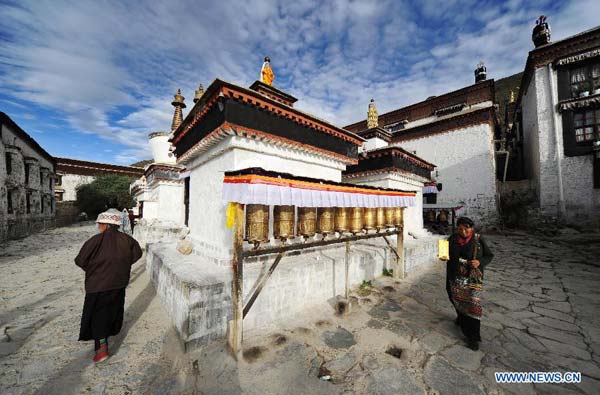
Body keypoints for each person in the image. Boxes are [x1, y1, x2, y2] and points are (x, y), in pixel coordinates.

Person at [75, 209, 142, 363]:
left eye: (99, 224)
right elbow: (137, 254)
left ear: (105, 224)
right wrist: (122, 266)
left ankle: (101, 349)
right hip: (119, 283)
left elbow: (80, 260)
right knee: (112, 310)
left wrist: (93, 270)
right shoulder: (127, 240)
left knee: (98, 316)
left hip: (98, 284)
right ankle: (107, 338)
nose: (99, 227)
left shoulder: (95, 240)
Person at [442, 217, 493, 351]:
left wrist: (479, 262)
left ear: (472, 228)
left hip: (472, 278)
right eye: (460, 229)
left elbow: (489, 256)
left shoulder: (478, 240)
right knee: (455, 298)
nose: (463, 231)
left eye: (466, 228)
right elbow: (445, 253)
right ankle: (460, 316)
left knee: (473, 305)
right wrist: (443, 255)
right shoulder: (452, 239)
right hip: (455, 275)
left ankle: (473, 337)